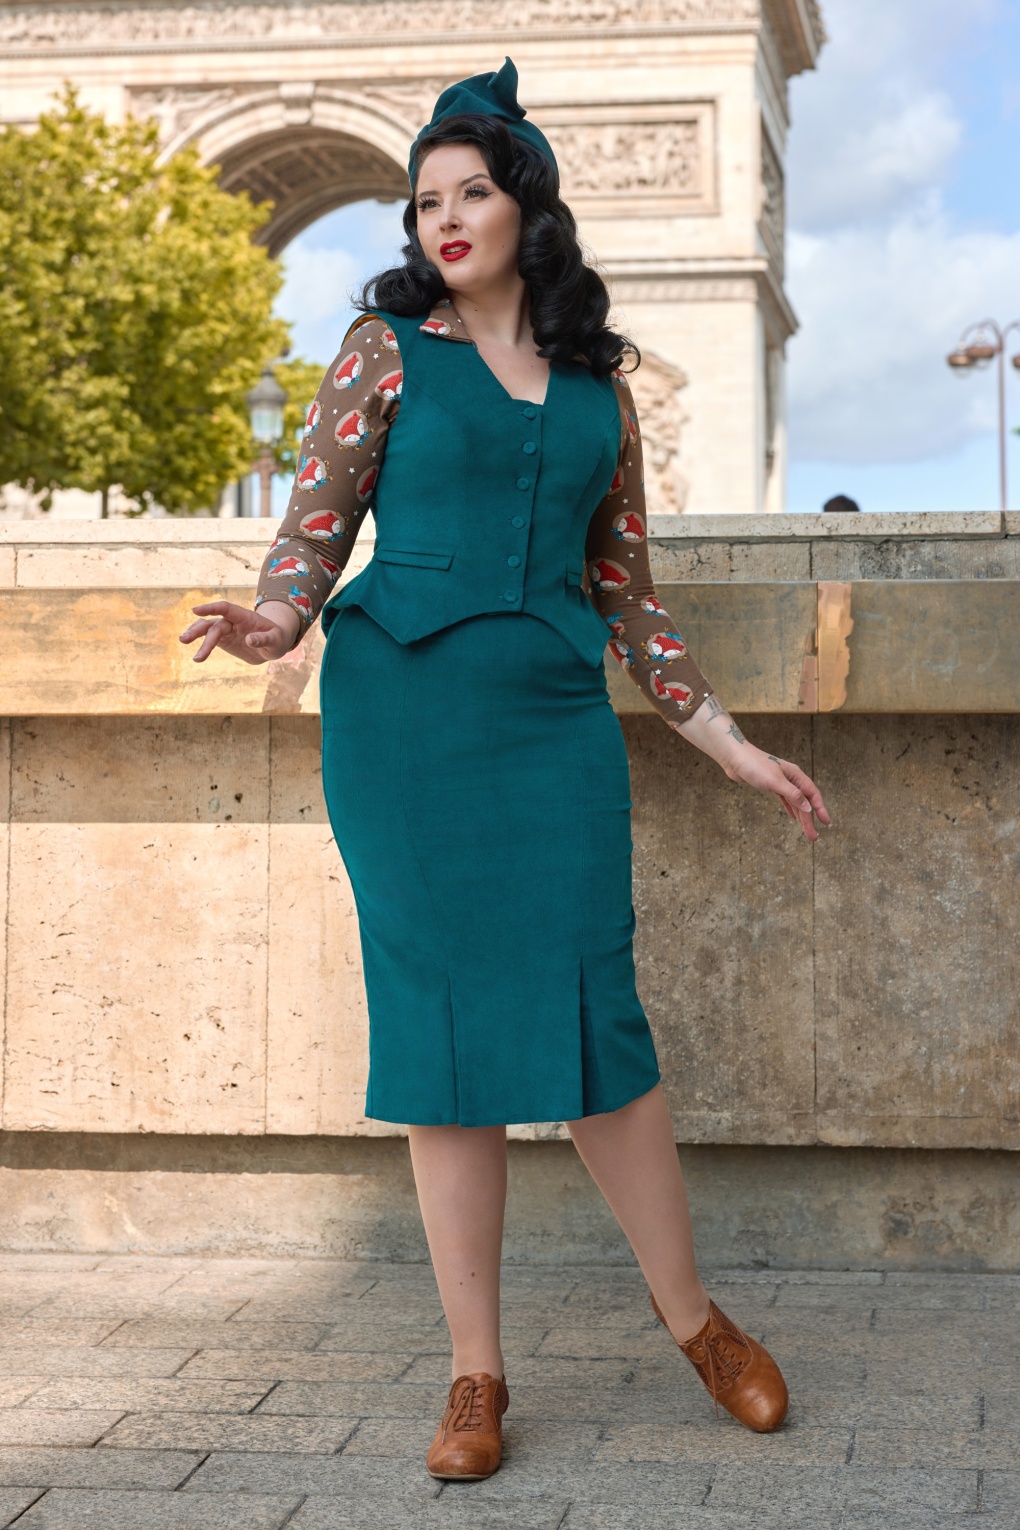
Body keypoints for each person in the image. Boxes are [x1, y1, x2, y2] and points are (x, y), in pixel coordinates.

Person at [180, 59, 830, 1482]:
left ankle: (697, 1322)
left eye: (472, 191)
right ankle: (475, 1375)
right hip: (404, 728)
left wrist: (730, 744)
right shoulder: (380, 353)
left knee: (600, 1017)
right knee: (443, 1040)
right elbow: (311, 530)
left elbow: (629, 597)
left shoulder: (603, 393)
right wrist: (271, 621)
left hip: (553, 728)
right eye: (425, 201)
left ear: (528, 208)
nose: (446, 218)